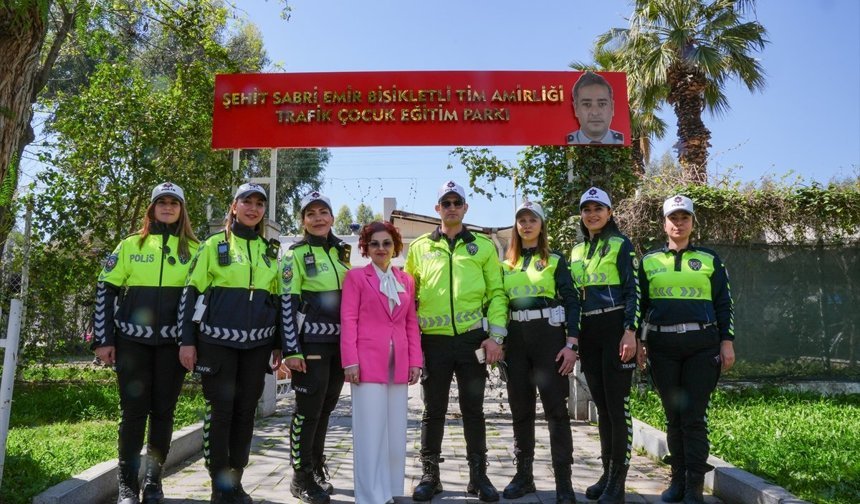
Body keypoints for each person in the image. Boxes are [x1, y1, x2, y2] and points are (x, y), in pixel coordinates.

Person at [177, 182, 284, 504]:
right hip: (216, 344)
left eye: (259, 204)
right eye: (246, 202)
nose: (253, 208)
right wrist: (186, 341)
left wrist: (279, 344)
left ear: (264, 211)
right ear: (234, 206)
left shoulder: (270, 250)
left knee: (245, 413)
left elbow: (276, 301)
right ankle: (218, 485)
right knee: (220, 413)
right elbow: (190, 293)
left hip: (257, 347)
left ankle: (236, 480)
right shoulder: (212, 245)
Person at [93, 182, 197, 504]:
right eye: (161, 202)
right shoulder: (129, 245)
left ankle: (153, 482)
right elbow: (105, 290)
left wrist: (194, 343)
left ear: (181, 210)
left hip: (172, 347)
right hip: (131, 345)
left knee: (164, 413)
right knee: (133, 413)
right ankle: (127, 486)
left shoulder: (195, 250)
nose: (167, 207)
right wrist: (103, 339)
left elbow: (203, 302)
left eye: (174, 203)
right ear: (151, 209)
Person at [406, 180, 508, 502]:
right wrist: (412, 345)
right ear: (437, 209)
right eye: (445, 203)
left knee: (473, 410)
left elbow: (497, 295)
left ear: (465, 208)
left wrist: (496, 337)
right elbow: (410, 300)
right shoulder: (420, 247)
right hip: (433, 343)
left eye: (457, 202)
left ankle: (479, 477)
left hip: (472, 343)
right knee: (432, 410)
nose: (451, 207)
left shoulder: (483, 246)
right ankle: (429, 475)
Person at [636, 195, 735, 504]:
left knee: (693, 417)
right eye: (673, 218)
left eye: (684, 218)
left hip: (702, 347)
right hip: (662, 347)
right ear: (664, 223)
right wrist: (639, 342)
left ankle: (694, 486)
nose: (678, 223)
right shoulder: (649, 261)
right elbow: (640, 305)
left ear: (693, 223)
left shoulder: (709, 258)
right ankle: (677, 480)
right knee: (673, 416)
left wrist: (727, 341)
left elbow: (724, 303)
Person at [500, 201, 580, 504]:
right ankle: (524, 476)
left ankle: (564, 483)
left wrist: (571, 344)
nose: (527, 224)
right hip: (516, 342)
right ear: (516, 227)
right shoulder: (505, 264)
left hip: (549, 339)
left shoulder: (556, 261)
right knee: (521, 411)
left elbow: (572, 302)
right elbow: (497, 302)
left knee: (556, 413)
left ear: (541, 225)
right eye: (521, 220)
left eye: (532, 219)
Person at [340, 221, 423, 504]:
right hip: (366, 362)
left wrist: (416, 361)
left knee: (395, 429)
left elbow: (411, 323)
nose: (381, 248)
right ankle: (369, 495)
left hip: (398, 361)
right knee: (369, 430)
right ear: (365, 247)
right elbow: (348, 321)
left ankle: (389, 490)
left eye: (387, 243)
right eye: (374, 243)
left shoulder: (406, 280)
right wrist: (349, 360)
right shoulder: (355, 278)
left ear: (395, 247)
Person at [569, 187, 640, 504]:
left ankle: (619, 484)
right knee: (602, 408)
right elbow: (572, 297)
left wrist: (630, 330)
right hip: (589, 332)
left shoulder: (621, 244)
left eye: (599, 208)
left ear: (610, 213)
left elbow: (633, 291)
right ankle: (607, 473)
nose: (592, 214)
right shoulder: (575, 252)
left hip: (615, 330)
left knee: (617, 408)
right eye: (587, 209)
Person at [282, 191, 351, 504]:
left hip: (339, 345)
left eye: (324, 212)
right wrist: (291, 350)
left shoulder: (342, 252)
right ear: (303, 221)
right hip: (310, 343)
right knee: (306, 412)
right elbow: (287, 303)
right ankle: (300, 476)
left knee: (325, 409)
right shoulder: (294, 254)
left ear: (332, 218)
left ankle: (317, 466)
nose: (319, 218)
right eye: (311, 214)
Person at [566, 72, 624, 145]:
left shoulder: (621, 140)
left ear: (612, 107)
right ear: (576, 109)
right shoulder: (569, 141)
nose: (595, 112)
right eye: (587, 104)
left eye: (602, 104)